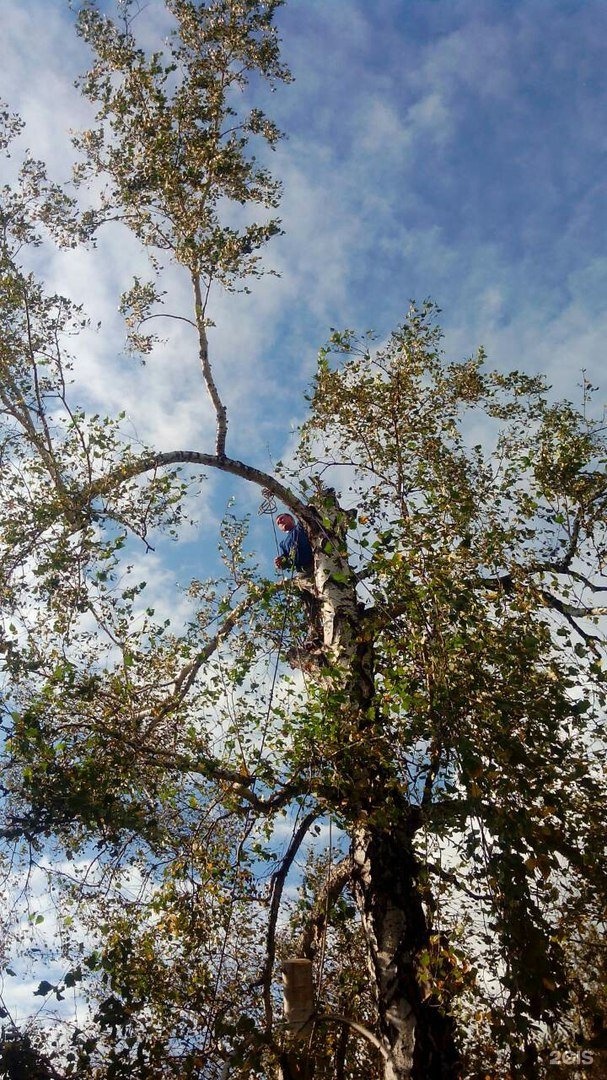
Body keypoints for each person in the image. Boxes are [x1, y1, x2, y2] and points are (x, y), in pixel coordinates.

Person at [274, 513, 321, 650]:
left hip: (316, 563)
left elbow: (306, 517)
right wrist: (280, 562)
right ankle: (315, 631)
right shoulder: (283, 543)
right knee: (308, 601)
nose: (280, 521)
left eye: (282, 518)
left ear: (291, 518)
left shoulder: (300, 527)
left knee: (326, 590)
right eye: (277, 522)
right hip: (302, 572)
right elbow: (285, 562)